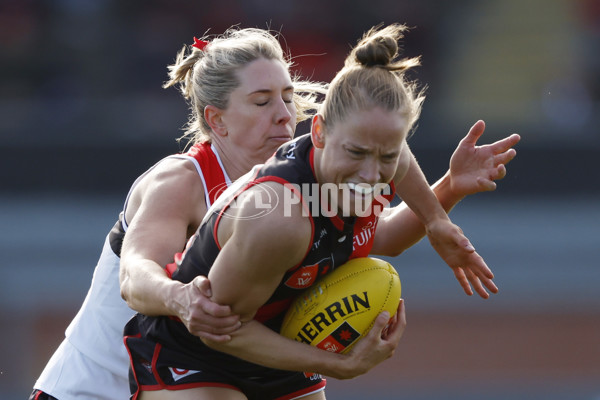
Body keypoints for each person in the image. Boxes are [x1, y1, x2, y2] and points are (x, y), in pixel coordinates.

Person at [123, 23, 520, 400]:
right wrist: (337, 364)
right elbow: (216, 328)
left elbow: (387, 221)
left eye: (388, 156)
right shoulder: (273, 215)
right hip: (195, 352)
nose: (371, 175)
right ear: (318, 131)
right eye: (262, 101)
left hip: (274, 342)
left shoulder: (370, 158)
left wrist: (443, 204)